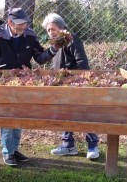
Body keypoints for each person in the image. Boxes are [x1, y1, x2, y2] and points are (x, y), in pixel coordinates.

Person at [0, 8, 59, 166]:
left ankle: (13, 149)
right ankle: (7, 152)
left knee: (18, 115)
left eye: (25, 23)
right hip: (4, 81)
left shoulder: (30, 35)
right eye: (20, 24)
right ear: (10, 23)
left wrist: (53, 49)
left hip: (24, 81)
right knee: (7, 115)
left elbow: (39, 57)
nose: (24, 26)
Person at [42, 13, 100, 159]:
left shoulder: (72, 40)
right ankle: (68, 146)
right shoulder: (55, 44)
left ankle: (93, 145)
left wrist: (80, 81)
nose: (51, 32)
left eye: (53, 29)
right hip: (61, 84)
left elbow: (82, 63)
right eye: (48, 30)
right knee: (65, 113)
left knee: (83, 113)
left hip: (76, 84)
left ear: (61, 27)